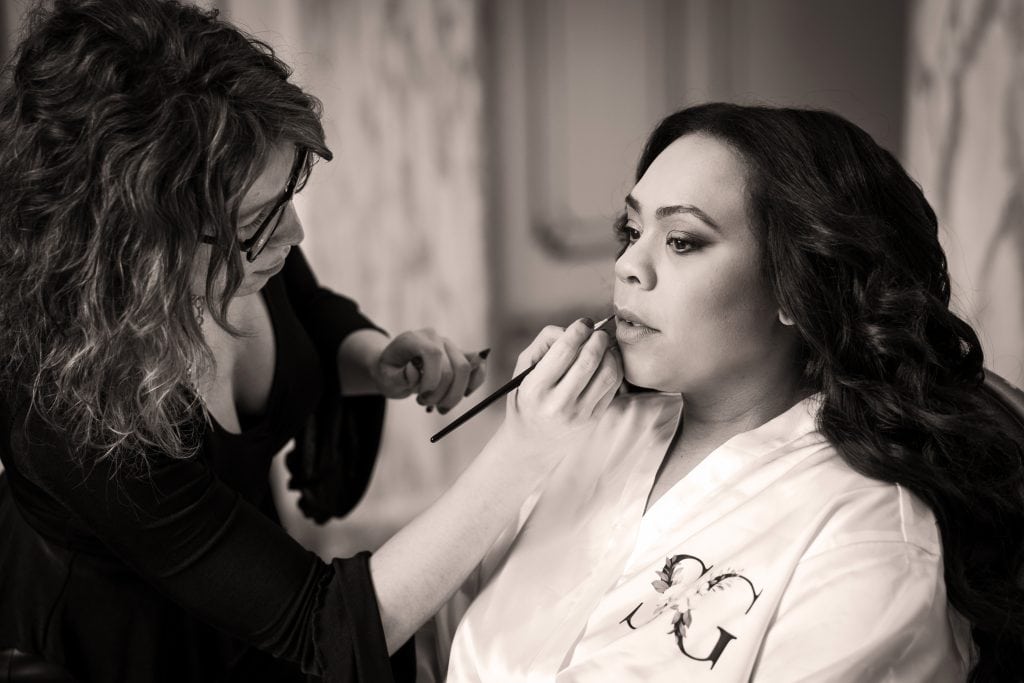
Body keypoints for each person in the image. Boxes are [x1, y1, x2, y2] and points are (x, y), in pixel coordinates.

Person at [0, 1, 624, 682]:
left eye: (285, 197)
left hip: (245, 586)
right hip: (128, 651)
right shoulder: (76, 414)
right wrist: (525, 450)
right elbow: (317, 623)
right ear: (137, 244)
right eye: (260, 219)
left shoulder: (234, 247)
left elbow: (311, 311)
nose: (293, 234)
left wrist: (371, 359)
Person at [418, 103, 1024, 682]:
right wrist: (520, 453)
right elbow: (429, 642)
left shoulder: (866, 539)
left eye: (681, 240)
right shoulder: (583, 433)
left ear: (798, 287)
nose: (629, 265)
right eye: (631, 230)